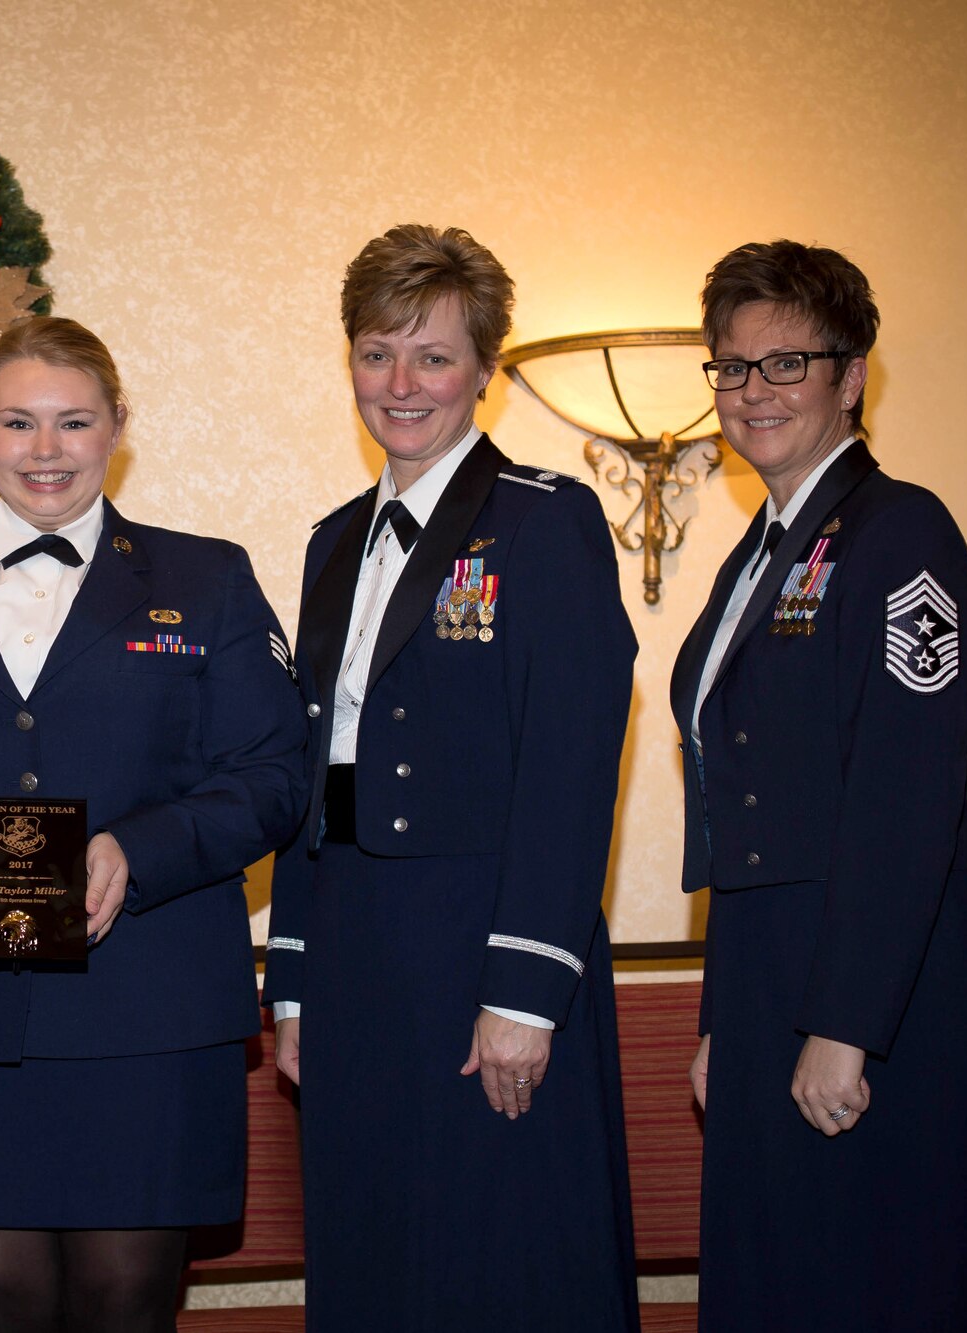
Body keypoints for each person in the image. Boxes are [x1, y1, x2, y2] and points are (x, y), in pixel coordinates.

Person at [0, 315, 306, 1333]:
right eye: (19, 421)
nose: (46, 450)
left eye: (74, 422)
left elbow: (271, 776)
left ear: (117, 426)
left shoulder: (204, 579)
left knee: (126, 1307)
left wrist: (141, 846)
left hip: (152, 1011)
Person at [263, 224, 639, 1330]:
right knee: (375, 1247)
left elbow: (571, 771)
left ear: (482, 368)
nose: (400, 383)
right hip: (353, 956)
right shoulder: (333, 541)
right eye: (376, 353)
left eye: (431, 355)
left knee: (504, 1258)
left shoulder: (542, 519)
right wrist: (291, 979)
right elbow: (307, 767)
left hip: (484, 948)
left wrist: (524, 993)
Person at [675, 239, 967, 1328]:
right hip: (774, 973)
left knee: (877, 1282)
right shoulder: (758, 552)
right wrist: (730, 1014)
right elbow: (741, 815)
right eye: (730, 366)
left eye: (786, 362)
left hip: (884, 990)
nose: (750, 391)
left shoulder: (896, 530)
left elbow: (905, 800)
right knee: (782, 1280)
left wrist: (843, 1023)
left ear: (850, 373)